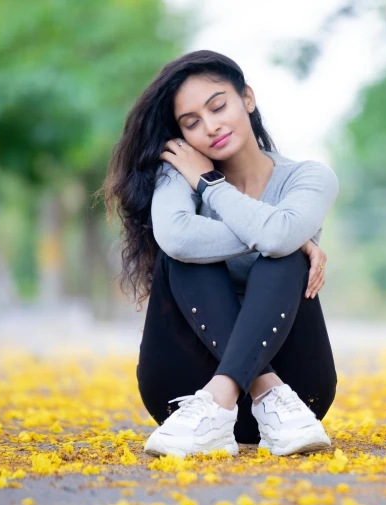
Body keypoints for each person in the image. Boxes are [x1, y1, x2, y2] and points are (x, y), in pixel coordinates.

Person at [98, 50, 339, 458]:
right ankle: (252, 390)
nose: (210, 127)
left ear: (247, 98)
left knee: (284, 257)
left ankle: (264, 397)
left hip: (299, 401)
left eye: (218, 106)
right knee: (187, 257)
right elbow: (175, 237)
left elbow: (278, 241)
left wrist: (211, 186)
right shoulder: (178, 173)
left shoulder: (308, 177)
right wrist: (281, 233)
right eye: (191, 123)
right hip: (187, 403)